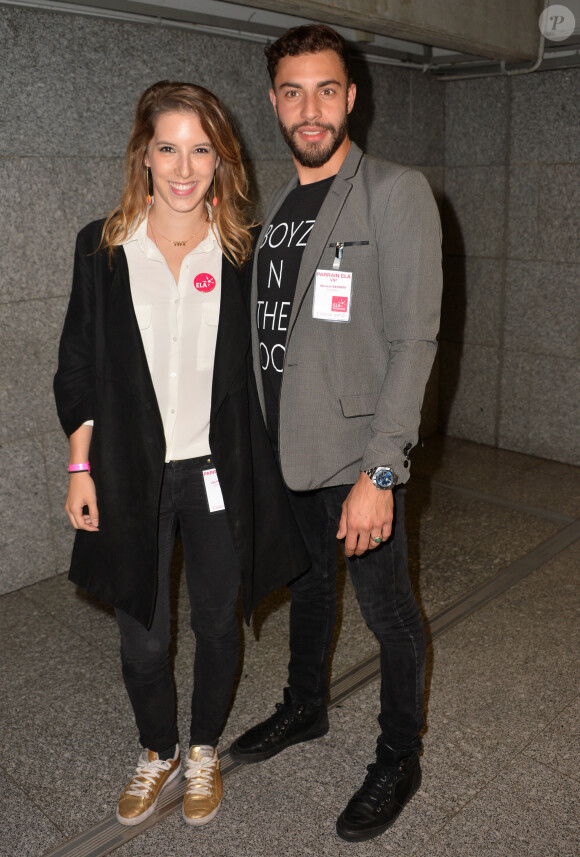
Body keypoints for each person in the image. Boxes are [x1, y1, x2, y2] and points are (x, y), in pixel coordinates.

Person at [54, 81, 307, 829]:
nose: (184, 166)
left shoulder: (243, 252)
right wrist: (78, 466)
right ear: (144, 155)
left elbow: (277, 364)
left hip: (217, 471)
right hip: (130, 469)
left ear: (223, 161)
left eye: (202, 149)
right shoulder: (101, 247)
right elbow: (76, 364)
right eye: (169, 147)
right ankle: (156, 748)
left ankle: (201, 749)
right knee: (143, 627)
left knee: (220, 621)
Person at [229, 25, 442, 843]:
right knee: (311, 590)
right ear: (275, 101)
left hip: (359, 458)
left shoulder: (394, 191)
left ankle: (399, 755)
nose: (309, 109)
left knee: (388, 612)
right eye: (292, 91)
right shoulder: (278, 208)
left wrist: (380, 473)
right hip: (291, 449)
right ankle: (305, 708)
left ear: (352, 97)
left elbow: (414, 340)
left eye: (326, 90)